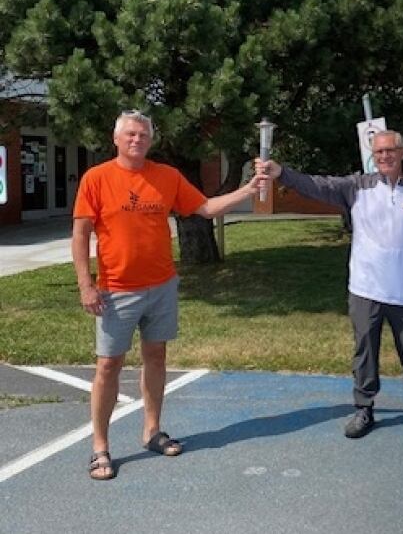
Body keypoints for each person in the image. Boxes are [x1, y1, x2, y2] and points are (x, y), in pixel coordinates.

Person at [73, 110, 262, 480]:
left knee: (156, 356)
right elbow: (80, 234)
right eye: (129, 134)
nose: (136, 140)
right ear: (116, 139)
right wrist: (86, 284)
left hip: (161, 286)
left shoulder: (167, 176)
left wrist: (249, 188)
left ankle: (152, 431)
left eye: (142, 135)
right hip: (116, 290)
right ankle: (100, 447)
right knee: (108, 366)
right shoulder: (96, 178)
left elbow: (205, 208)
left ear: (150, 140)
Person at [255, 130, 403, 440]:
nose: (384, 156)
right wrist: (281, 173)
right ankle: (363, 408)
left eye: (390, 151)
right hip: (365, 290)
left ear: (402, 153)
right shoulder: (356, 188)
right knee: (364, 352)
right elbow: (317, 185)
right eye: (379, 152)